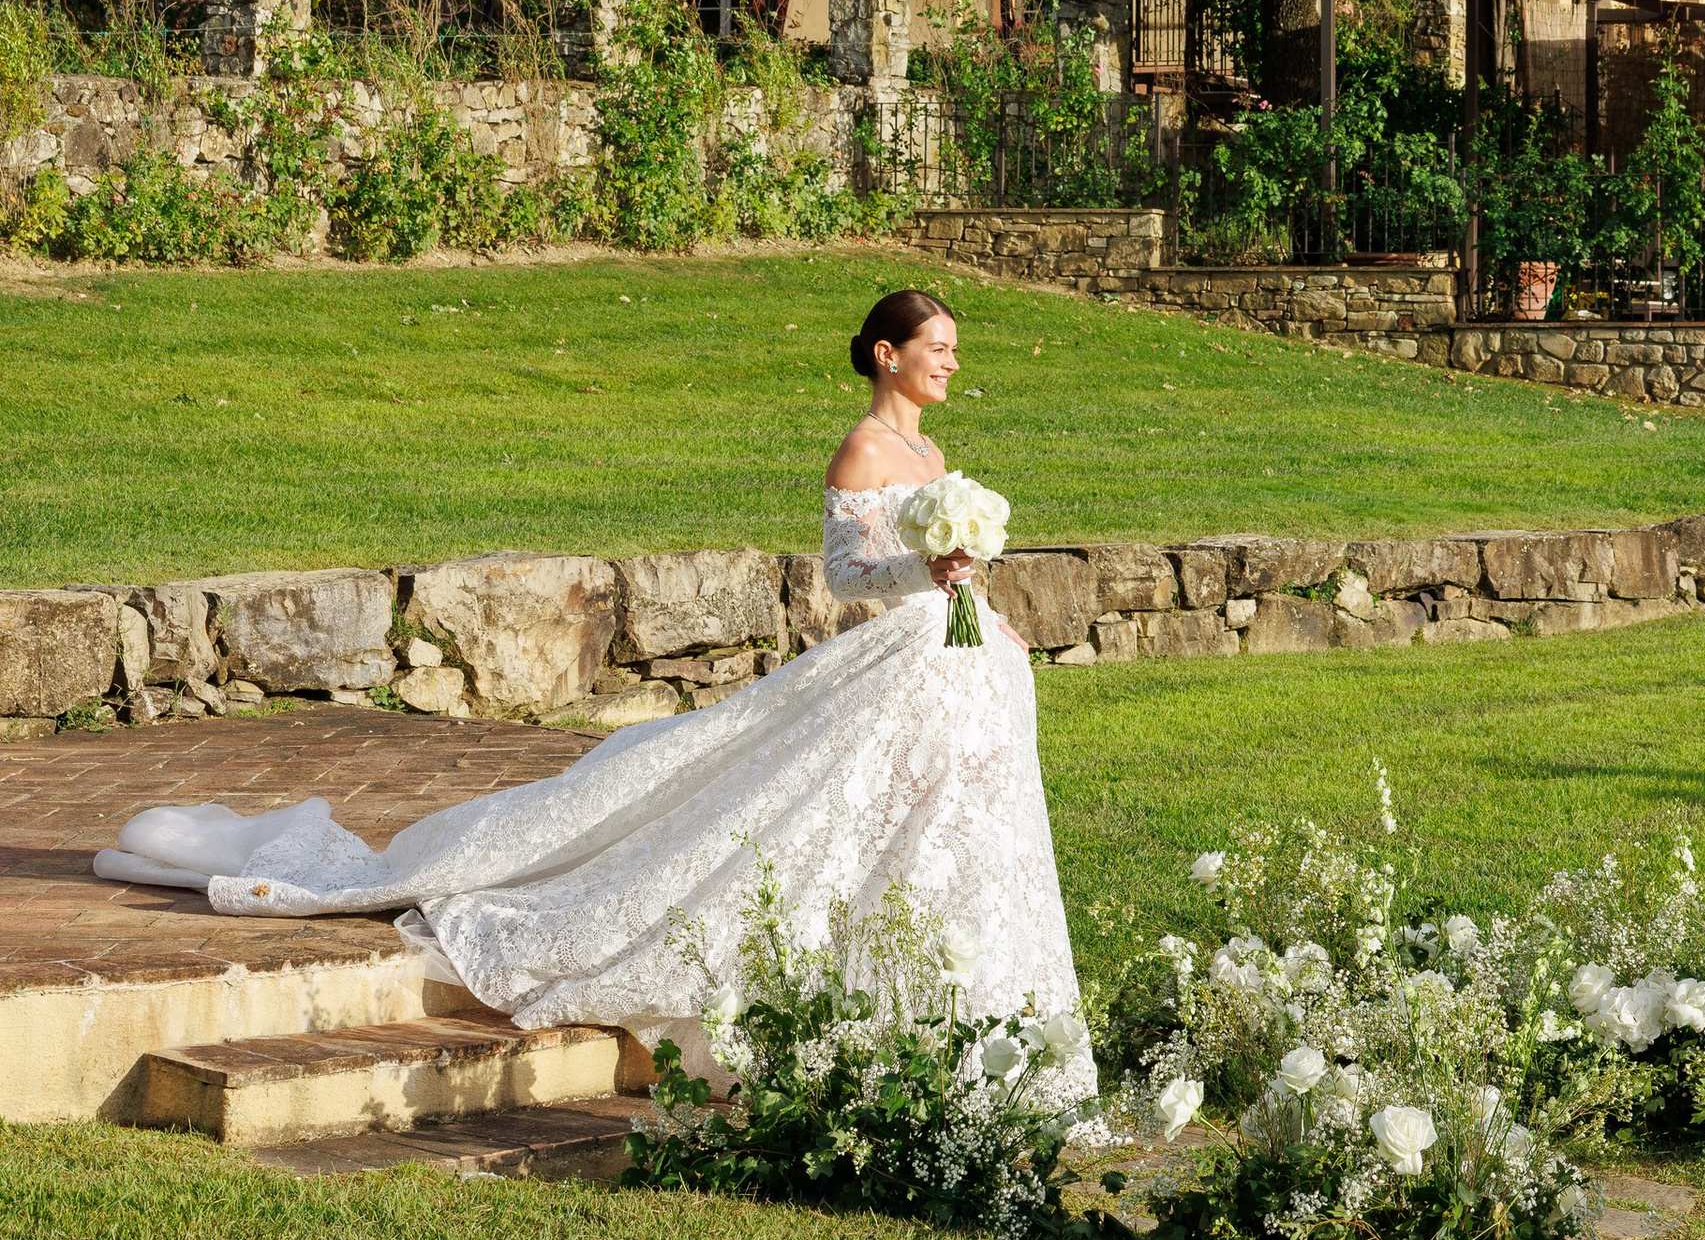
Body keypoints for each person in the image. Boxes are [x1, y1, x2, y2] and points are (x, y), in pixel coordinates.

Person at [94, 291, 1086, 1076]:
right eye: (939, 347)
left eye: (954, 349)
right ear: (887, 354)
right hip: (897, 652)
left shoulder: (932, 452)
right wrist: (926, 567)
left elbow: (947, 565)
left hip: (951, 652)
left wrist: (978, 598)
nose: (952, 363)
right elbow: (844, 575)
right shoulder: (863, 448)